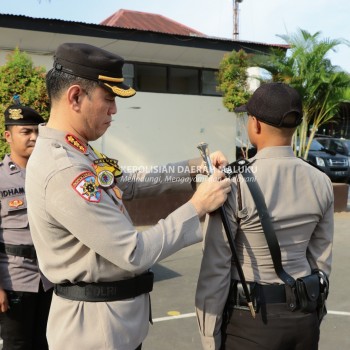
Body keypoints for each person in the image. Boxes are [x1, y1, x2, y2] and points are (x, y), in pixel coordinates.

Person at [25, 42, 231, 350]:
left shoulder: (77, 149)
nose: (114, 110)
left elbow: (129, 184)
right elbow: (133, 253)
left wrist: (194, 168)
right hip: (95, 332)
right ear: (76, 97)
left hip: (110, 322)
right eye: (108, 100)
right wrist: (198, 206)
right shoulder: (64, 168)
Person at [195, 82, 334, 350]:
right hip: (304, 316)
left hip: (251, 320)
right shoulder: (321, 181)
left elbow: (216, 268)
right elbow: (321, 259)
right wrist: (314, 312)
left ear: (255, 125)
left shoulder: (234, 182)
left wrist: (210, 338)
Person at [0, 103, 53, 349]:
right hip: (16, 281)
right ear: (8, 135)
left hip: (51, 277)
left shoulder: (48, 173)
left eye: (37, 131)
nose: (34, 137)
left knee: (49, 342)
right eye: (26, 132)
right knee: (18, 344)